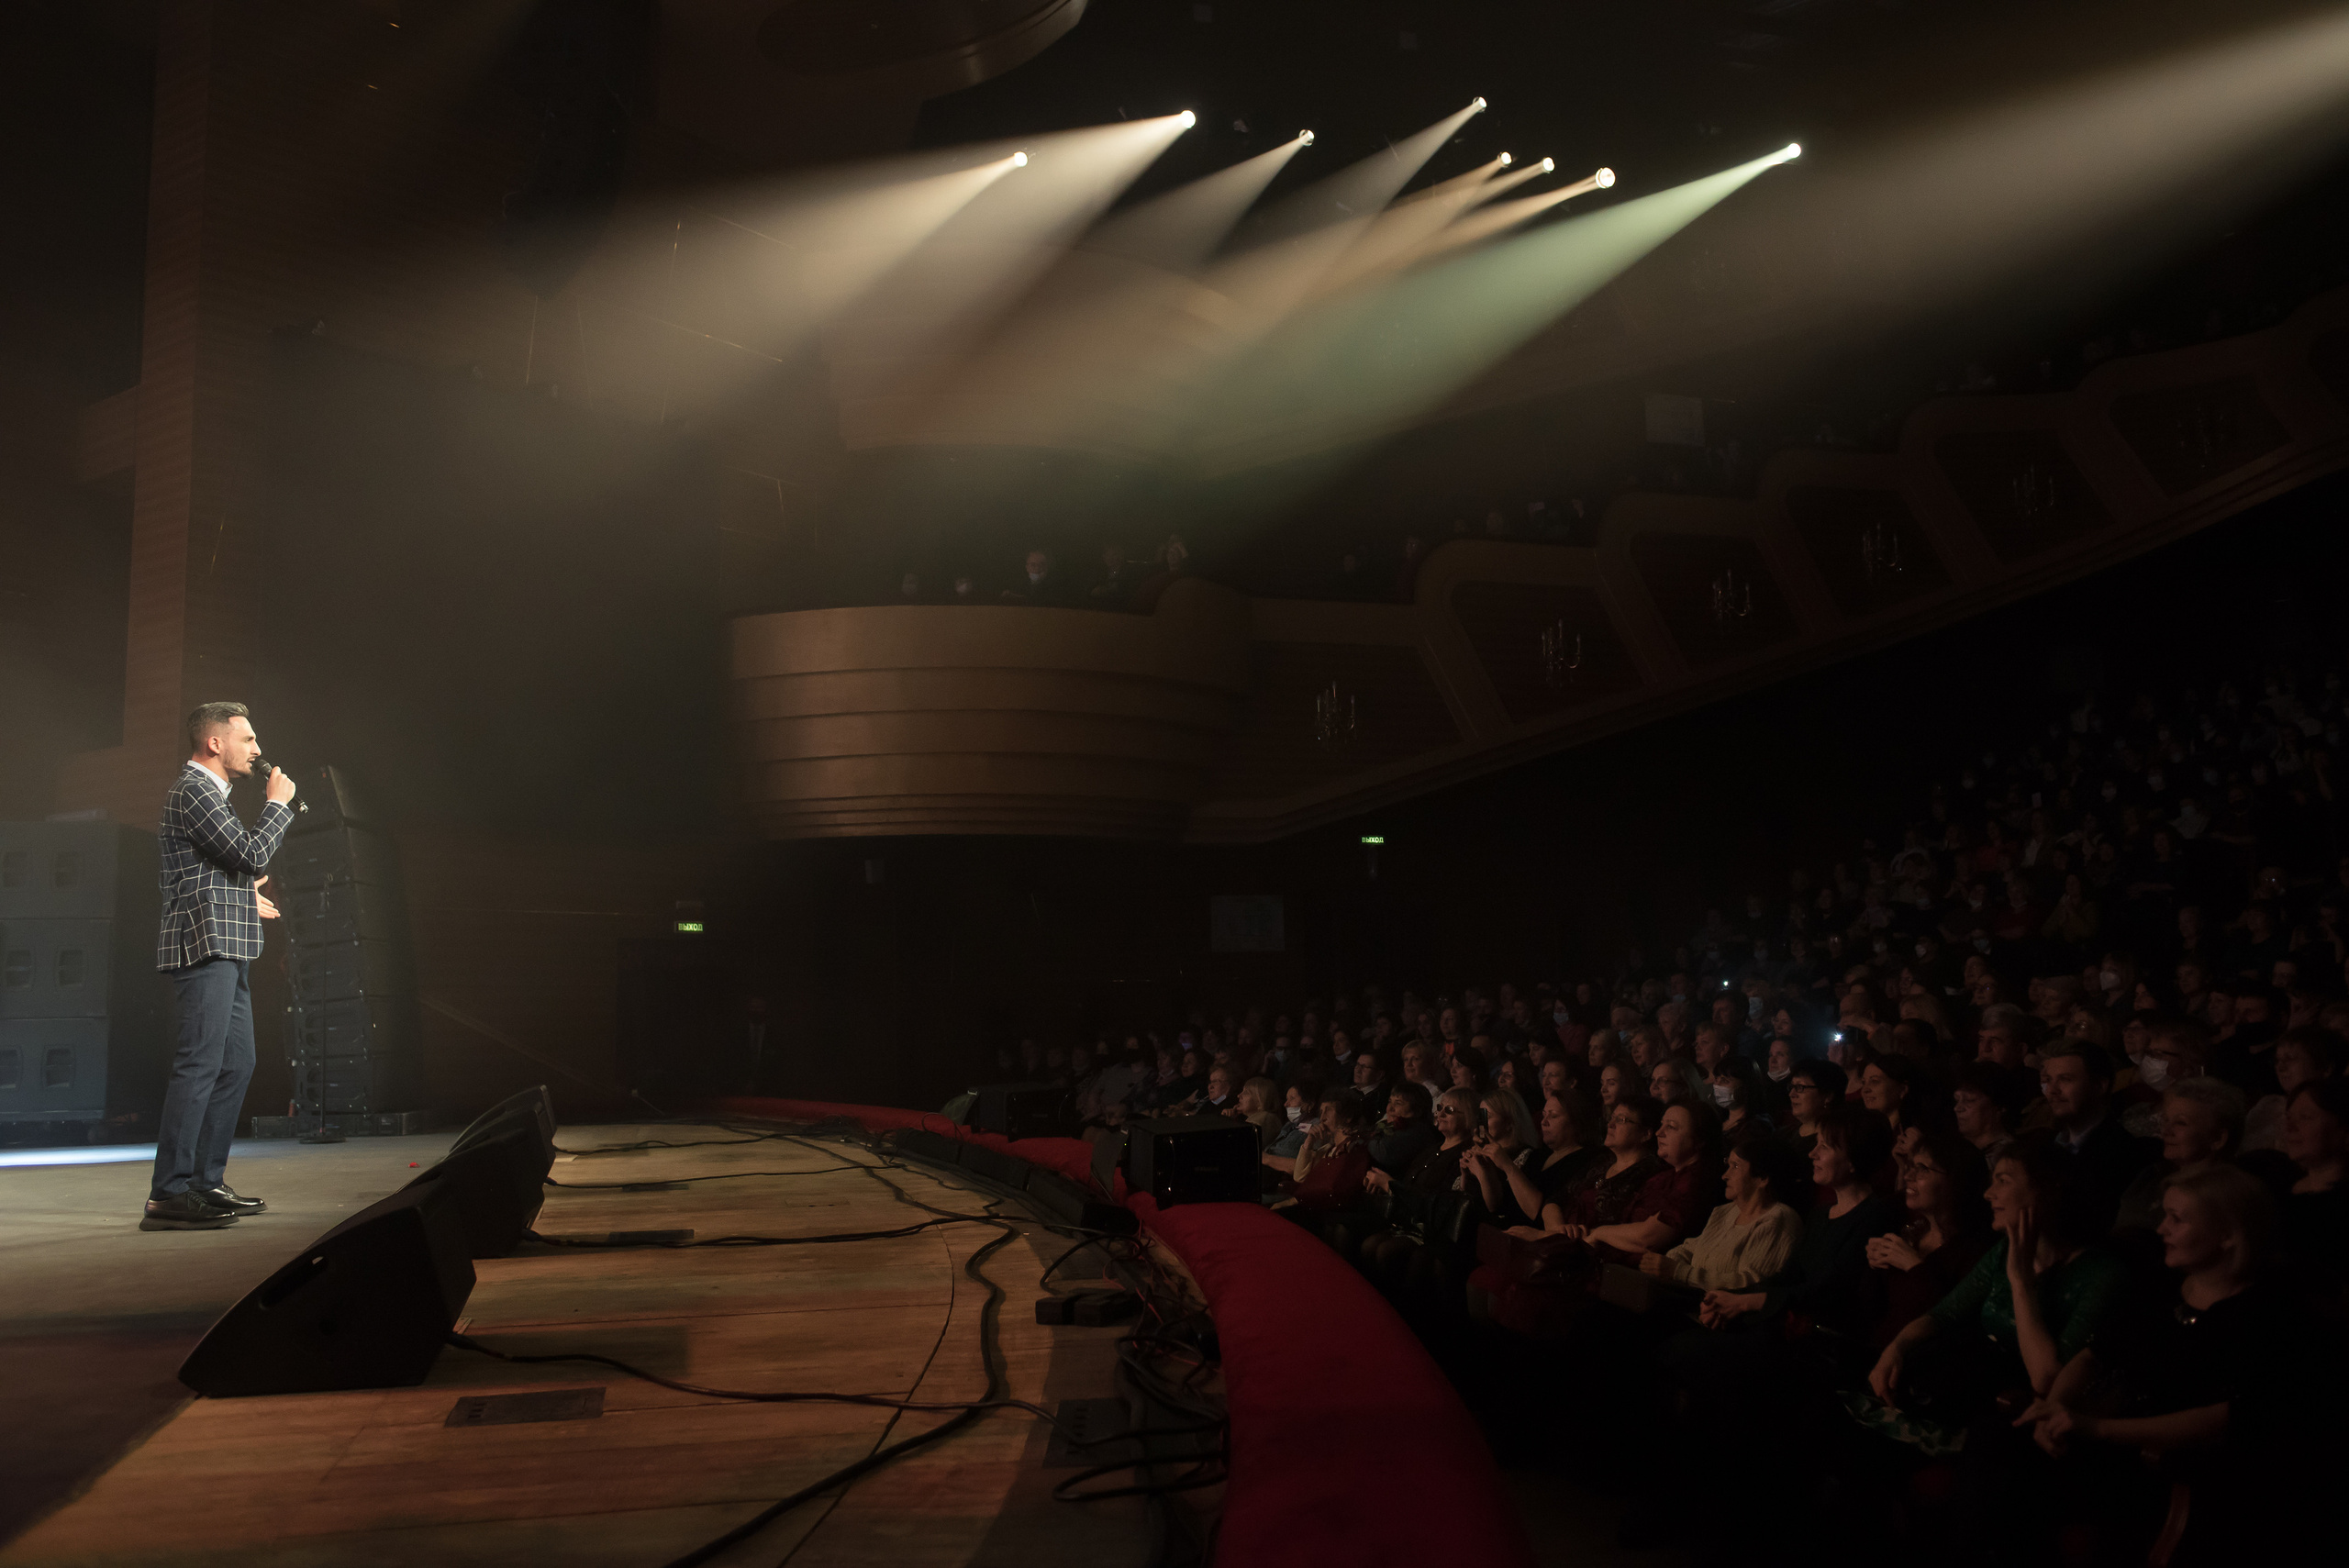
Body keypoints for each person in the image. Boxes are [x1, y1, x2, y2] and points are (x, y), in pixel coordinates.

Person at [147, 702, 295, 1231]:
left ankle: (204, 1181)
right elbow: (251, 856)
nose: (257, 750)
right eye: (248, 739)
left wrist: (241, 895)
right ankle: (169, 1192)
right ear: (215, 743)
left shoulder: (212, 796)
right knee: (200, 1064)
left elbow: (210, 869)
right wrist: (277, 805)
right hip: (204, 945)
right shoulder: (194, 790)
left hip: (227, 943)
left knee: (237, 1063)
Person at [1642, 1132, 1806, 1291]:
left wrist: (1679, 1272)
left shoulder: (1778, 1220)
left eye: (1735, 1166)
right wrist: (1664, 1263)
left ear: (1762, 1178)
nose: (1725, 1176)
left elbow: (1750, 1283)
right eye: (1728, 1165)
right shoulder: (1726, 1212)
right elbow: (1690, 1249)